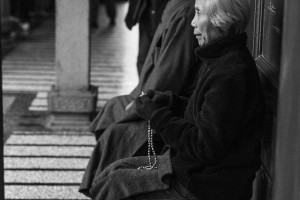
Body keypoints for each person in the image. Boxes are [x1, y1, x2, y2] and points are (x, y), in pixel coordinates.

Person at [80, 0, 266, 199]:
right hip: (191, 172)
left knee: (115, 184)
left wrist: (158, 117)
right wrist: (170, 102)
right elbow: (206, 115)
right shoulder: (222, 60)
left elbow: (204, 147)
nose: (193, 23)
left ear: (220, 21)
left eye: (198, 14)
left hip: (203, 186)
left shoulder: (230, 74)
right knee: (113, 171)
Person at [79, 0, 198, 195]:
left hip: (163, 101)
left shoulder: (186, 12)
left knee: (116, 134)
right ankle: (103, 183)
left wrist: (140, 103)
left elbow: (169, 74)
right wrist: (137, 95)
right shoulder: (174, 6)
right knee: (112, 107)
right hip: (153, 93)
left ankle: (106, 185)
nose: (197, 23)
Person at [125, 0, 169, 75]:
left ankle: (154, 84)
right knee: (143, 57)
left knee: (160, 56)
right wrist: (131, 15)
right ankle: (143, 84)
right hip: (146, 20)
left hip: (162, 22)